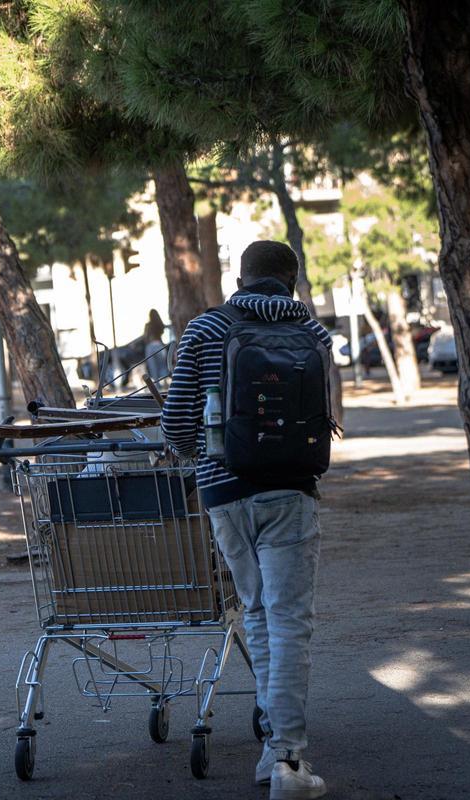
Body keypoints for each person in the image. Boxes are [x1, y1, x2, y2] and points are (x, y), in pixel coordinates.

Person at [161, 241, 333, 800]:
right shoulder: (314, 333)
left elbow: (177, 422)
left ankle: (274, 754)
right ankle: (286, 757)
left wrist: (197, 454)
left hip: (225, 490)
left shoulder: (206, 328)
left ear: (240, 276)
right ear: (293, 278)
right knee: (290, 621)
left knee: (256, 613)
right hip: (291, 491)